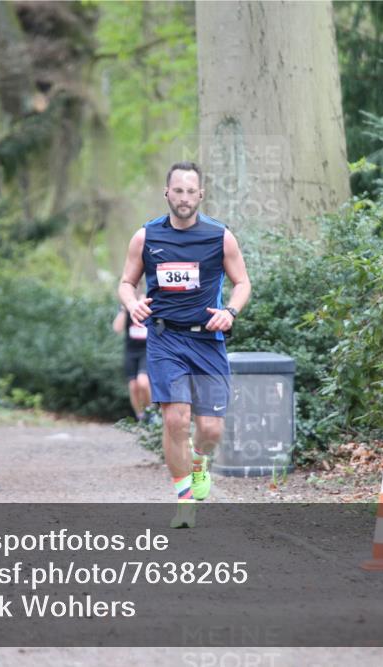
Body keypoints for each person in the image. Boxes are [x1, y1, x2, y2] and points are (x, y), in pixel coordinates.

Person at [118, 161, 251, 527]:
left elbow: (242, 283)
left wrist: (231, 312)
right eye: (178, 190)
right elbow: (126, 282)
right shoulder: (146, 237)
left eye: (191, 191)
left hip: (208, 339)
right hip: (165, 338)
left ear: (201, 195)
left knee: (210, 430)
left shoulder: (219, 236)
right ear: (167, 193)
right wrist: (132, 304)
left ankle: (199, 461)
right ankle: (184, 500)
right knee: (176, 420)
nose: (184, 198)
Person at [112, 301, 151, 422]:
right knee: (133, 386)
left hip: (147, 350)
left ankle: (152, 413)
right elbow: (117, 329)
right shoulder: (127, 306)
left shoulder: (148, 302)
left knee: (143, 382)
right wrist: (124, 308)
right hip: (131, 352)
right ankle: (141, 417)